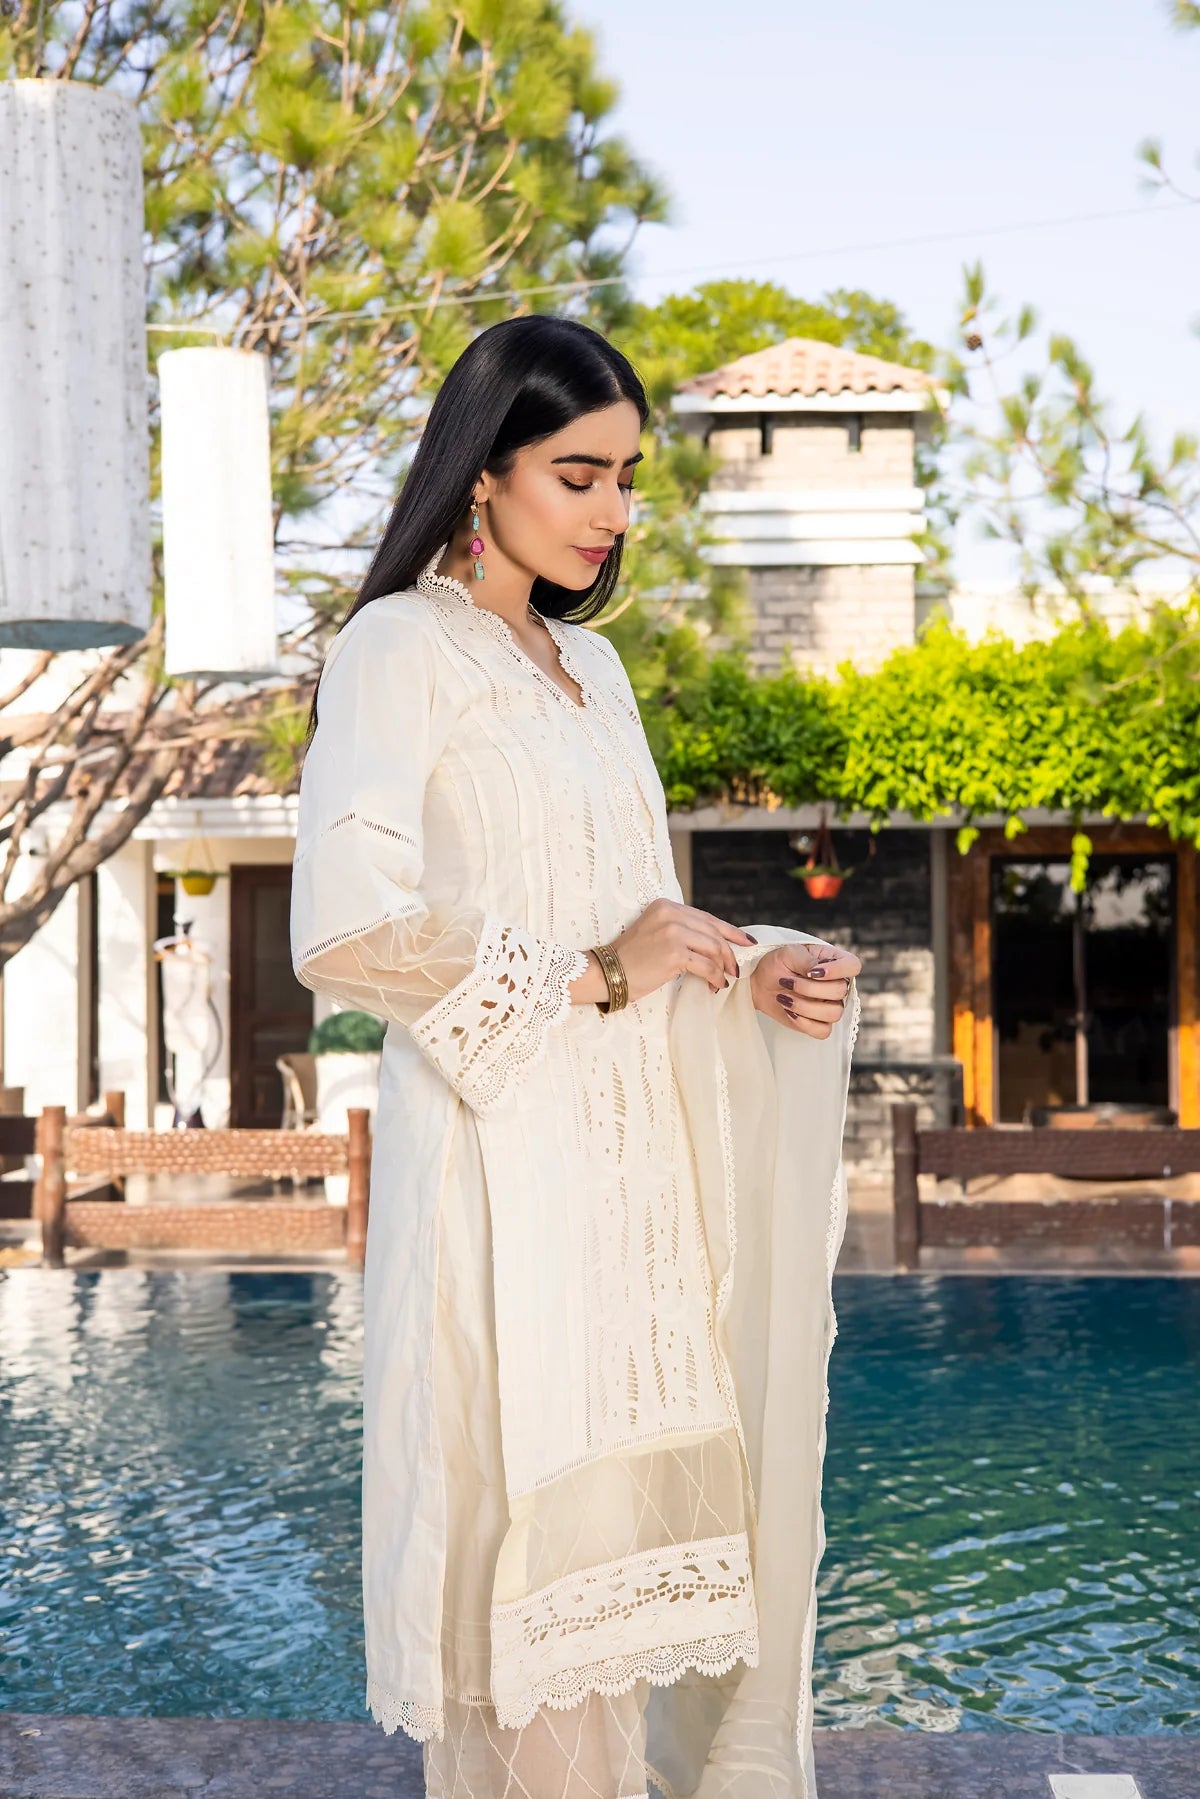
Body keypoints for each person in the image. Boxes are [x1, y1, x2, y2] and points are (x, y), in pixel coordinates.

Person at [290, 314, 861, 1799]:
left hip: (629, 1190)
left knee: (617, 1598)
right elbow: (349, 932)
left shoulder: (596, 674)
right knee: (519, 1597)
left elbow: (639, 914)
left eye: (627, 478)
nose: (613, 511)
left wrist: (753, 969)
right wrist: (597, 975)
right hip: (498, 1188)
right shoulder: (398, 648)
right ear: (484, 472)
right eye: (580, 474)